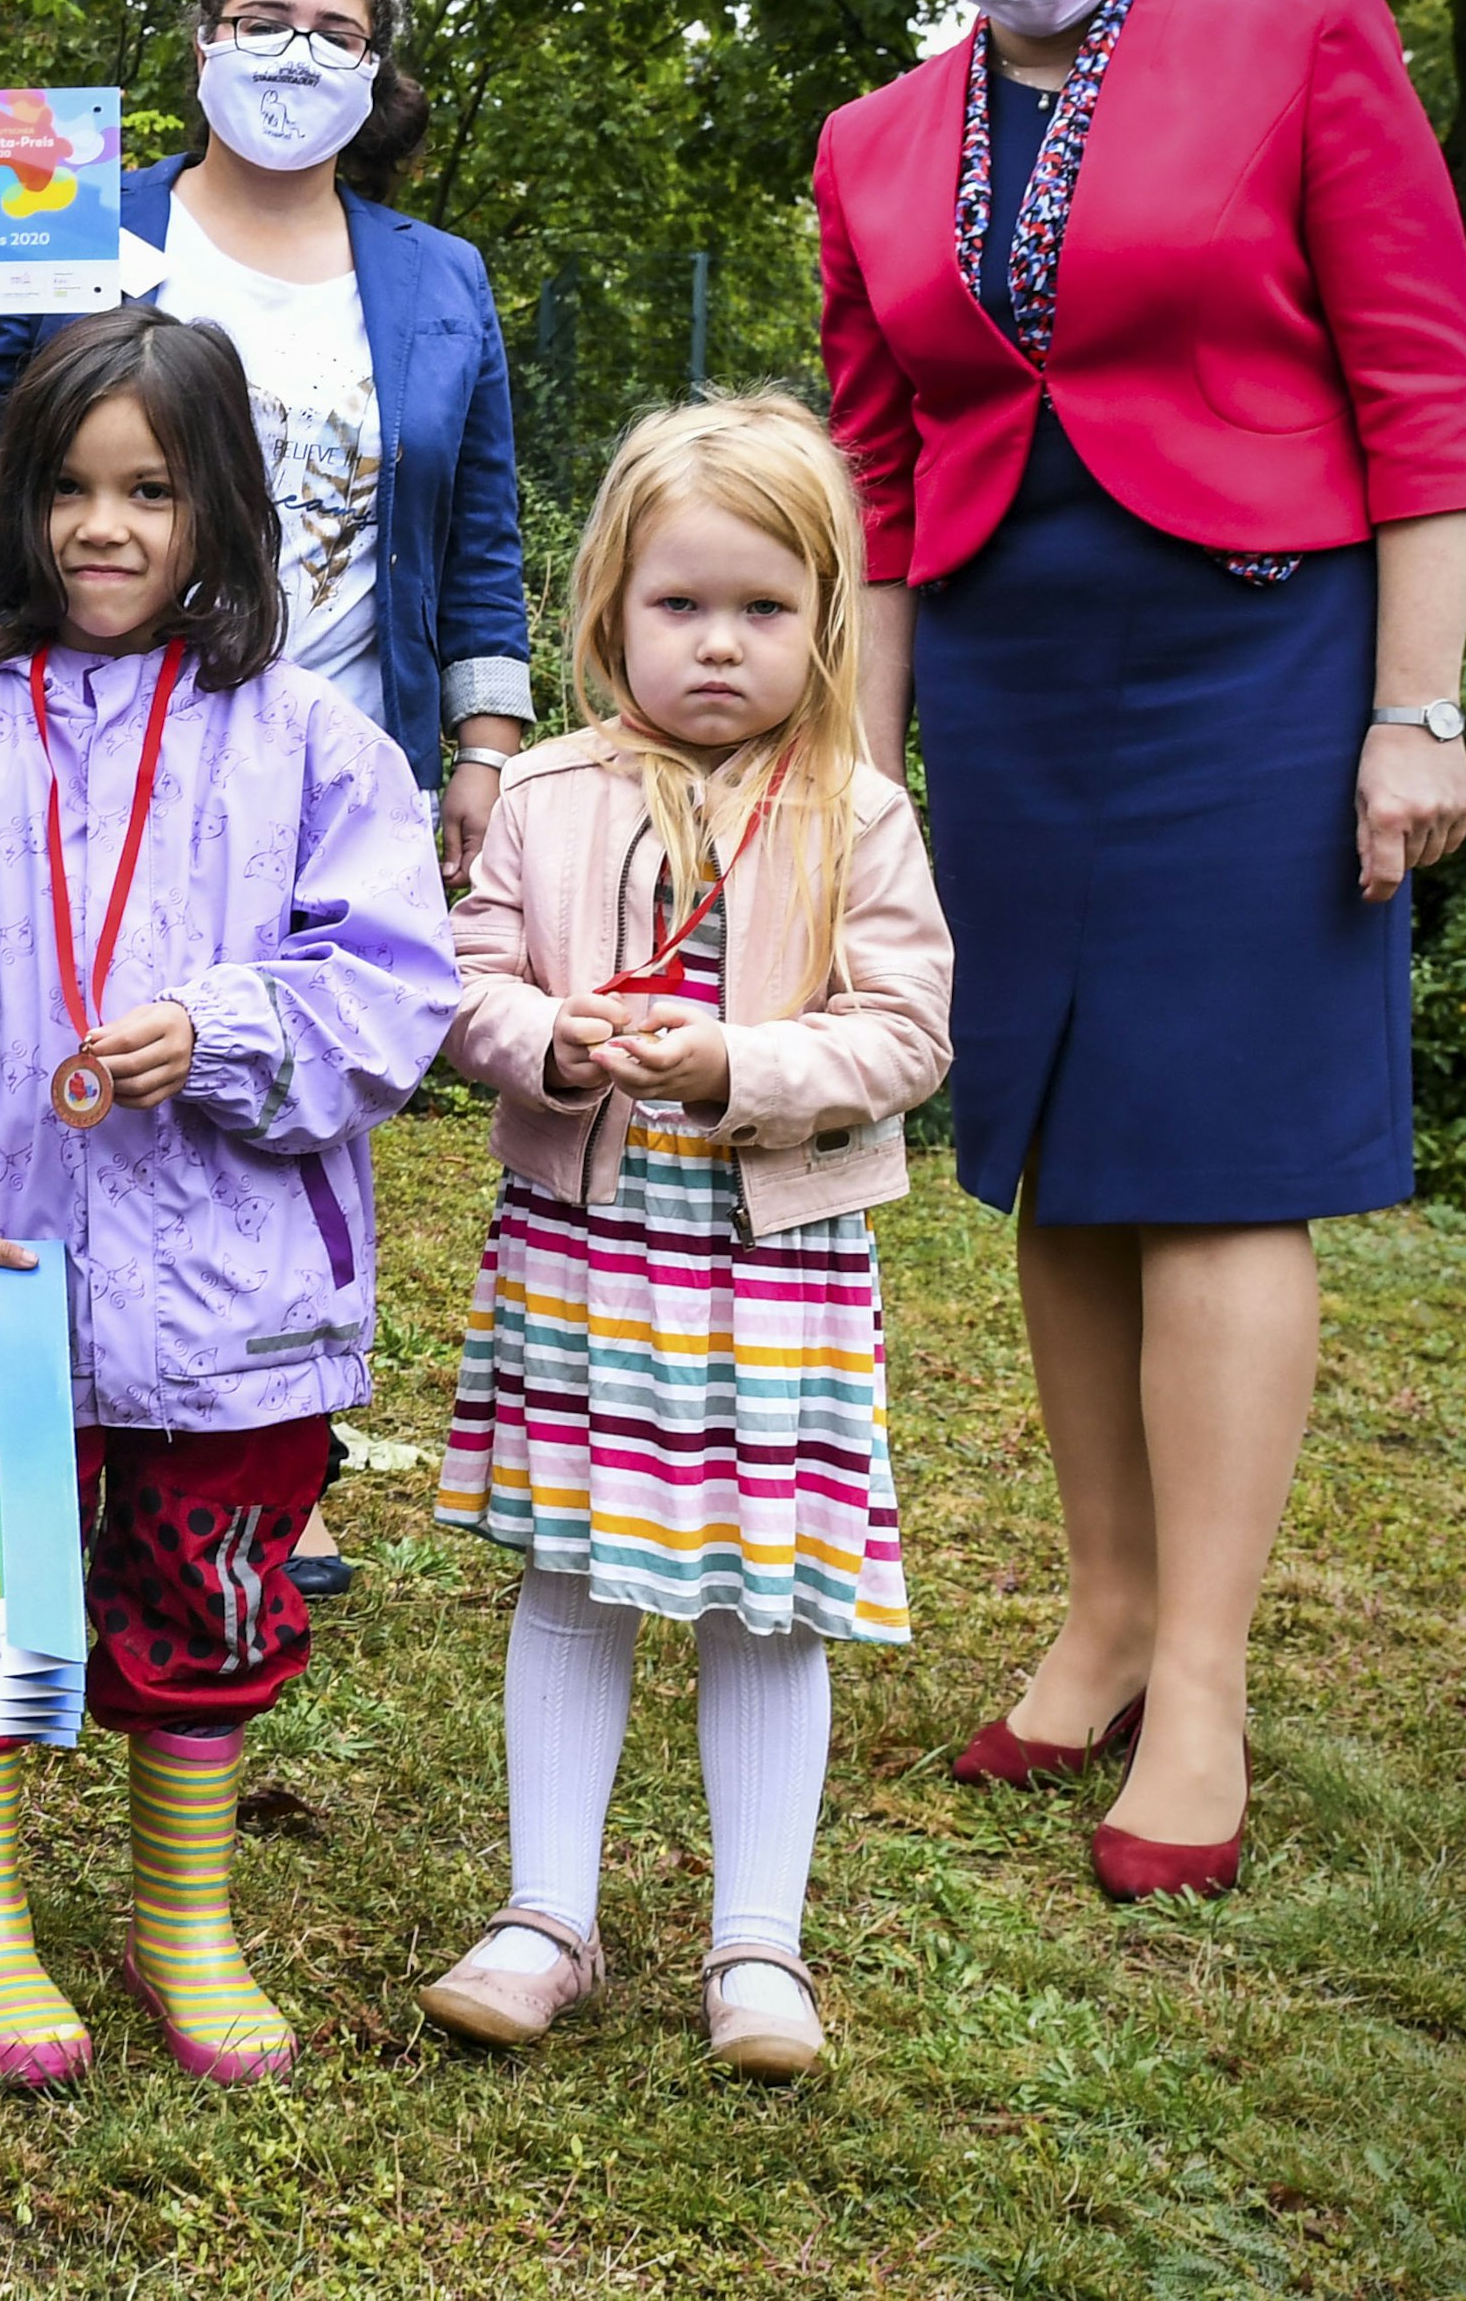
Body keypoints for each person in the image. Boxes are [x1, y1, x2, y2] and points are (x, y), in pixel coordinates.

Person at [814, 0, 1466, 1902]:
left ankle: (1195, 1671)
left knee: (1212, 1156)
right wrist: (851, 765)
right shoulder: (866, 143)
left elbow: (1423, 389)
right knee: (1053, 1147)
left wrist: (1414, 706)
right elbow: (875, 471)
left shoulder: (1298, 42)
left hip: (1256, 651)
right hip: (1004, 672)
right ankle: (1097, 1606)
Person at [0, 308, 461, 2093]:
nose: (103, 529)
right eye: (69, 491)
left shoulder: (312, 738)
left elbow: (395, 992)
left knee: (214, 1602)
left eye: (150, 492)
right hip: (7, 1291)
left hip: (235, 1301)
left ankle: (177, 1919)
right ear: (17, 507)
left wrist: (229, 1031)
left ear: (217, 509)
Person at [418, 396, 951, 2080]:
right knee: (570, 1571)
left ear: (825, 617)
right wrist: (542, 1040)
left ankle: (757, 1951)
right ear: (606, 612)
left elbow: (904, 1036)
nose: (716, 645)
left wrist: (741, 1067)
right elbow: (458, 985)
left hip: (767, 1268)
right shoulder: (547, 795)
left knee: (762, 1601)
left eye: (760, 610)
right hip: (587, 1253)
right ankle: (540, 1916)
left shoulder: (858, 812)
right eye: (677, 607)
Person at [0, 0, 532, 882]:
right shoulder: (77, 214)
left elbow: (478, 541)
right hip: (90, 769)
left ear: (369, 71)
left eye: (335, 34)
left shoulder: (443, 277)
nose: (296, 52)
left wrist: (485, 750)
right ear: (206, 45)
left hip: (339, 784)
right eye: (263, 21)